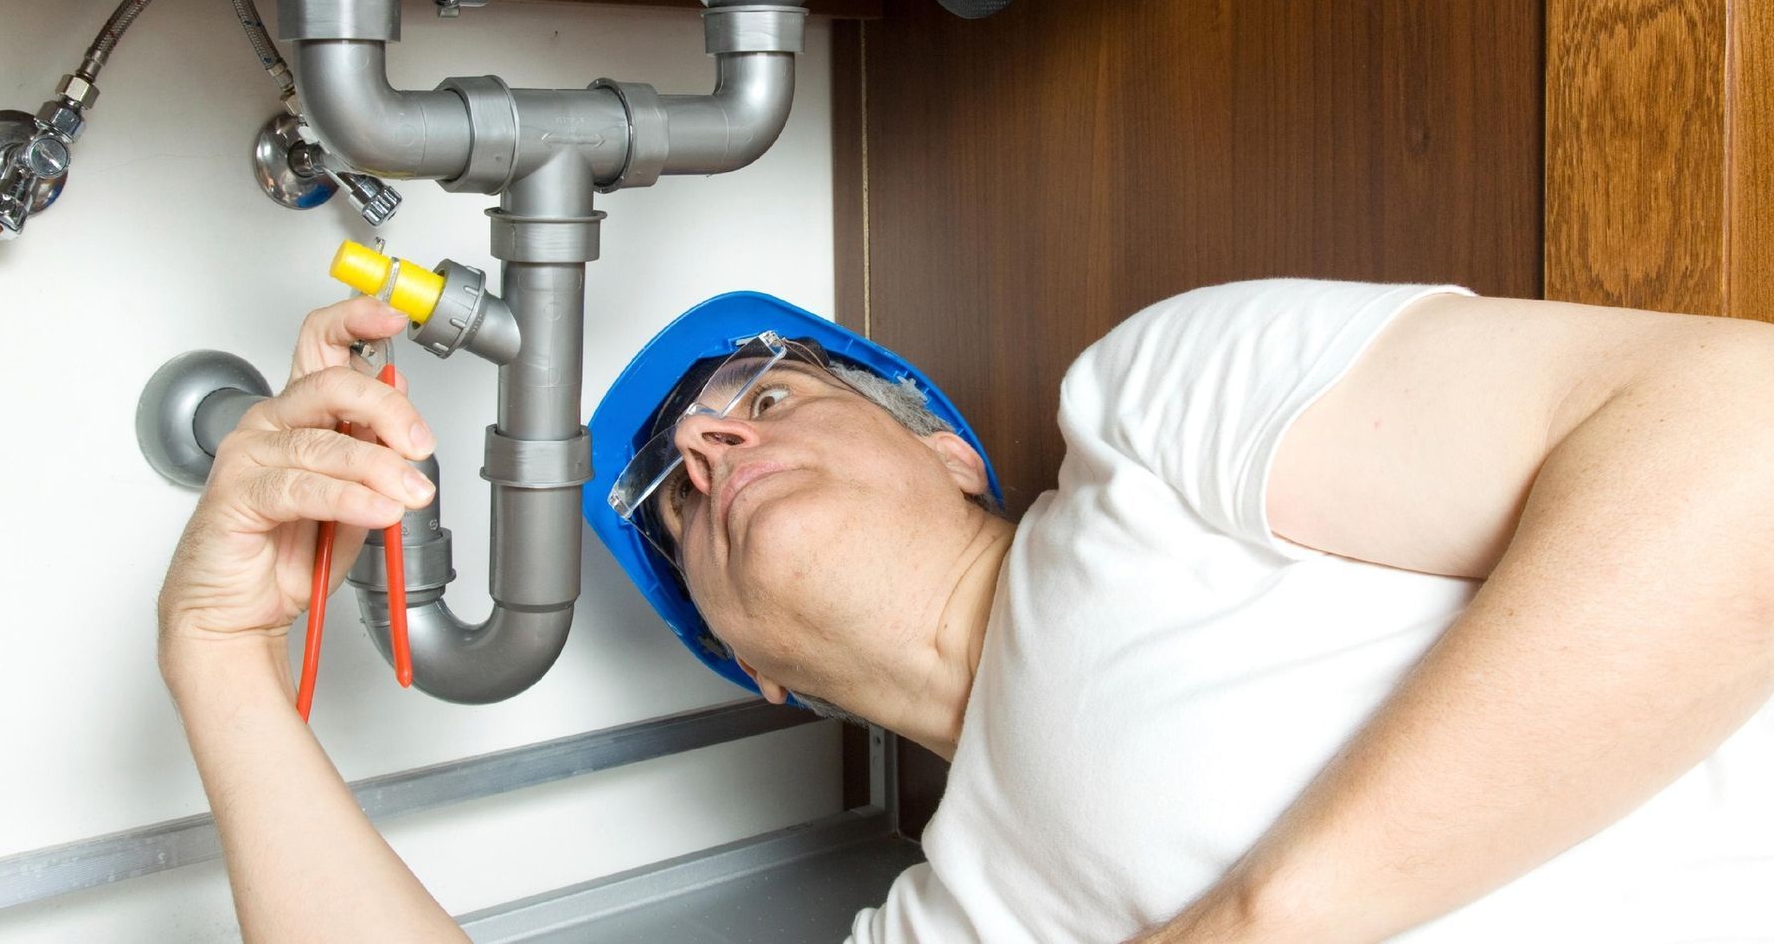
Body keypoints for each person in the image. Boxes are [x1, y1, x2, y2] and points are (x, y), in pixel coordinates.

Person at [158, 278, 1774, 943]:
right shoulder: (951, 928)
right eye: (669, 502)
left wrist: (1268, 921)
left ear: (941, 440)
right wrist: (219, 659)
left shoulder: (1150, 426)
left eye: (760, 392)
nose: (706, 449)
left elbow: (1741, 433)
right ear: (760, 673)